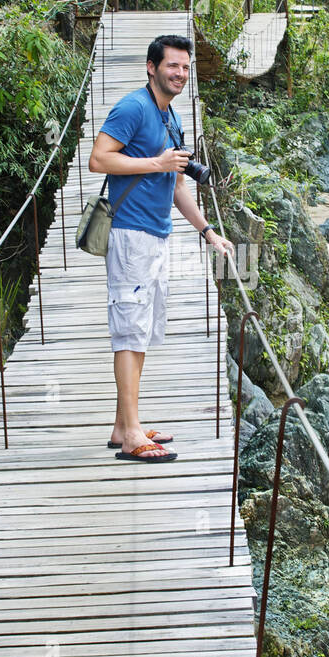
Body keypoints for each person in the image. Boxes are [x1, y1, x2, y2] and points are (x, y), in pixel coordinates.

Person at [88, 33, 234, 462]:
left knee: (143, 330)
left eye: (186, 68)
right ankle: (132, 434)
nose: (181, 74)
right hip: (130, 234)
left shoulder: (172, 117)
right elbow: (99, 158)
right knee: (129, 331)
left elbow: (175, 185)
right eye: (173, 66)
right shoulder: (133, 108)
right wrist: (155, 162)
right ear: (151, 67)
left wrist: (207, 231)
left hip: (157, 234)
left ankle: (123, 424)